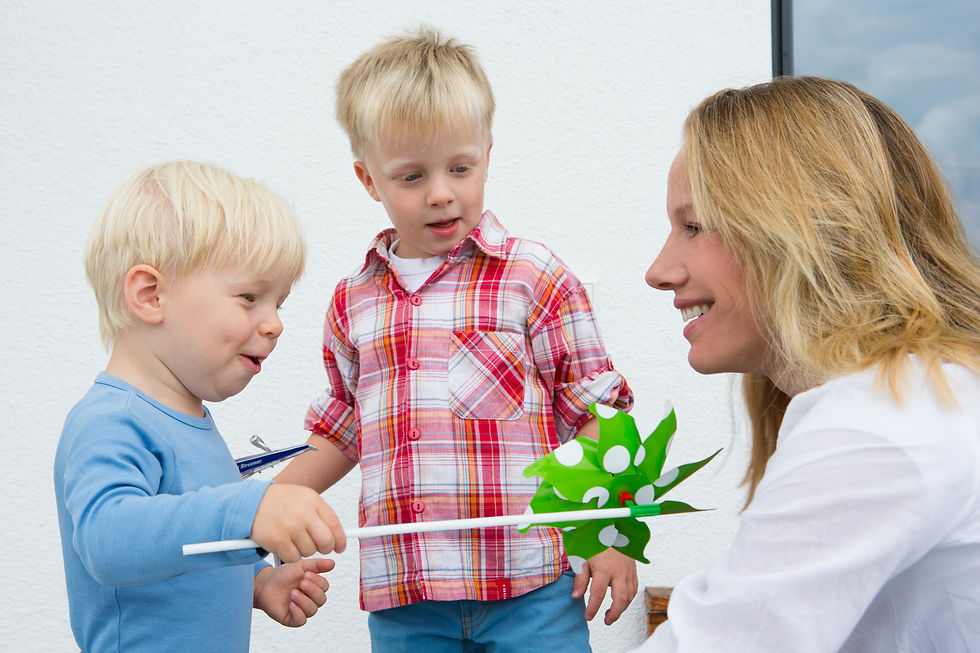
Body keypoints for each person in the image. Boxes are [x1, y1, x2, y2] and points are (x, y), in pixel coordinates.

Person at [274, 28, 635, 651]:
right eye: (411, 176)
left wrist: (612, 534)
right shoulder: (353, 300)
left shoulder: (532, 277)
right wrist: (262, 507)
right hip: (406, 601)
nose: (441, 192)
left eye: (460, 168)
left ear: (487, 155)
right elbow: (341, 430)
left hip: (531, 589)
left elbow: (600, 417)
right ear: (368, 179)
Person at [634, 76, 980, 652]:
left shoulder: (874, 427)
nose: (659, 270)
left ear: (799, 230)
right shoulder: (929, 391)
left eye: (694, 227)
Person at [54, 160, 348, 652]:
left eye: (279, 303)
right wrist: (249, 507)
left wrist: (256, 581)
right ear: (150, 296)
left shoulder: (191, 421)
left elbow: (186, 536)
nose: (274, 323)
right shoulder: (112, 421)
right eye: (250, 296)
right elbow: (107, 539)